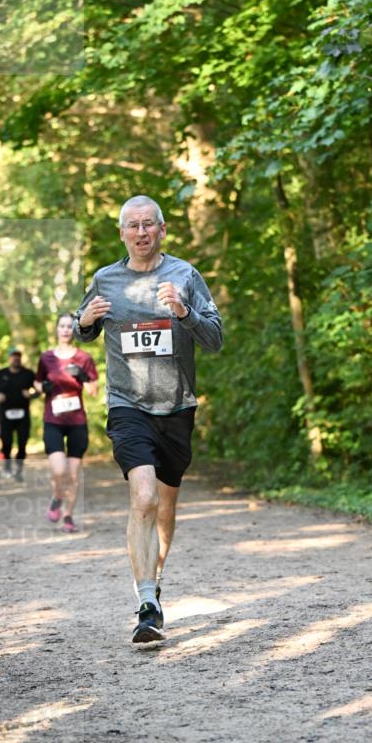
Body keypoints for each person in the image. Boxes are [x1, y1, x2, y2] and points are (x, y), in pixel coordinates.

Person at [73, 194, 223, 644]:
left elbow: (215, 339)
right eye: (133, 225)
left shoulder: (185, 275)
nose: (141, 232)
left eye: (148, 224)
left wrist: (184, 312)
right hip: (127, 405)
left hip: (176, 406)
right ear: (122, 233)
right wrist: (84, 321)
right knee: (143, 497)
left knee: (165, 507)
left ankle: (153, 583)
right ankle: (146, 604)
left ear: (162, 230)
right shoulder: (106, 279)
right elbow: (83, 327)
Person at [34, 313, 99, 533]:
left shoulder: (84, 358)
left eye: (69, 326)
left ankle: (68, 516)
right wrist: (43, 387)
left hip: (77, 422)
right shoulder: (46, 358)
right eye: (61, 326)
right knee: (59, 469)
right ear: (56, 329)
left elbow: (93, 390)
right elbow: (37, 383)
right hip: (53, 420)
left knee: (73, 473)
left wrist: (82, 376)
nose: (65, 330)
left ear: (75, 330)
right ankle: (57, 496)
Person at [0, 348, 37, 481]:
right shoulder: (0, 374)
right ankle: (7, 466)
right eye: (13, 356)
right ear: (9, 358)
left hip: (23, 415)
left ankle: (19, 469)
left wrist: (32, 394)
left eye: (18, 356)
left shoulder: (28, 374)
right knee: (6, 442)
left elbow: (39, 389)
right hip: (5, 415)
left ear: (21, 358)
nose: (16, 358)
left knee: (23, 442)